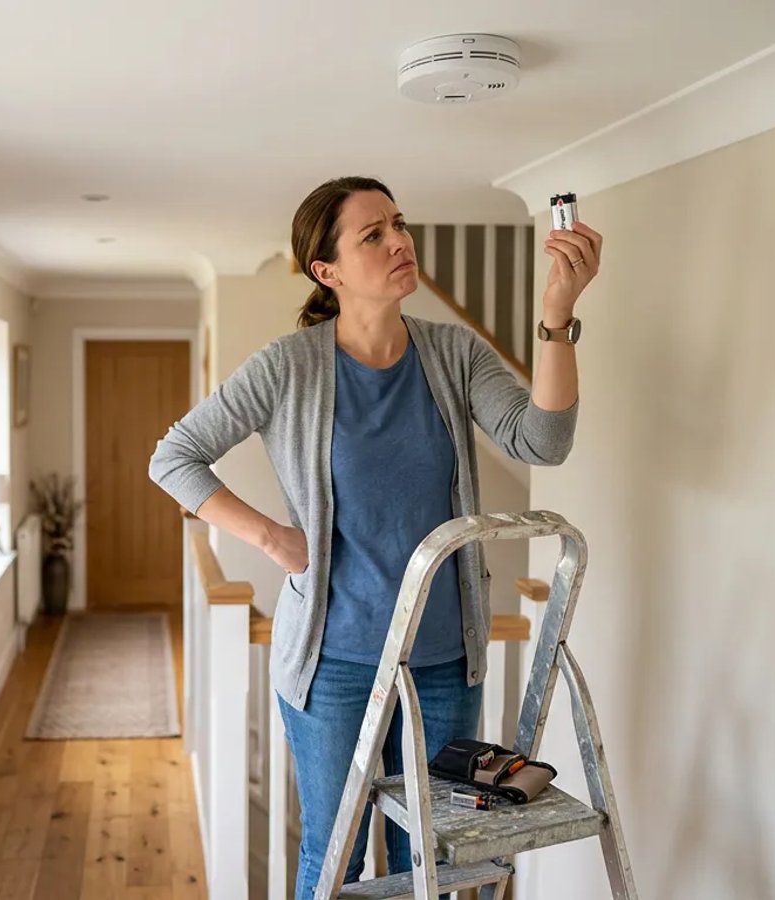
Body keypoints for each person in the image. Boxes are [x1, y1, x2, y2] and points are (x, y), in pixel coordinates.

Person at [149, 176, 602, 898]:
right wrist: (270, 538)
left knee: (431, 856)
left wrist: (556, 315)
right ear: (326, 273)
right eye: (373, 235)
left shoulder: (454, 353)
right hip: (333, 667)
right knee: (336, 860)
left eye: (398, 224)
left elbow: (542, 442)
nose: (400, 242)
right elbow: (172, 458)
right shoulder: (289, 365)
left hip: (446, 666)